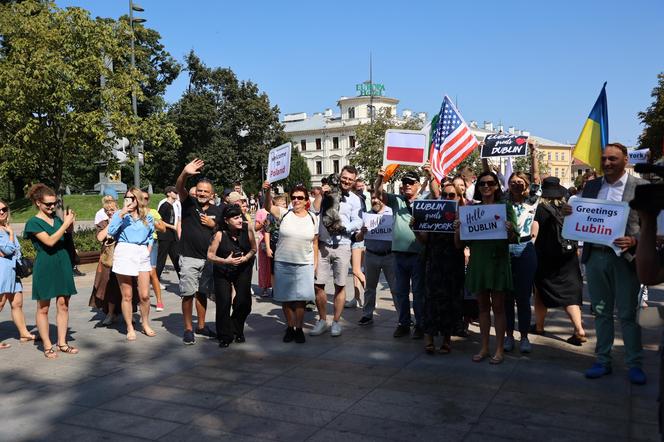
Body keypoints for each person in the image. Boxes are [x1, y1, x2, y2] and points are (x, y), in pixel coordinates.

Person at [563, 143, 648, 384]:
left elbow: (654, 227)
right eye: (604, 159)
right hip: (595, 257)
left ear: (625, 160)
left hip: (625, 259)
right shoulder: (591, 186)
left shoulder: (641, 188)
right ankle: (602, 360)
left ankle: (635, 364)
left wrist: (634, 240)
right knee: (600, 312)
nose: (607, 163)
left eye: (613, 158)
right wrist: (572, 212)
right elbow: (582, 217)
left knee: (628, 313)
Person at [462, 171, 518, 364]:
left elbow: (514, 238)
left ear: (496, 186)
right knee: (483, 307)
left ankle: (500, 349)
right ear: (477, 187)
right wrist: (459, 228)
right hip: (478, 261)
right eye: (482, 183)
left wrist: (510, 229)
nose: (486, 186)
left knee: (499, 307)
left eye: (490, 183)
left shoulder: (505, 207)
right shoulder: (471, 209)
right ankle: (484, 347)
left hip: (498, 261)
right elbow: (465, 240)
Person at [24, 184, 77, 358]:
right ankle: (47, 345)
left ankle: (62, 342)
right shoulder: (33, 222)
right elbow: (49, 241)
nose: (52, 207)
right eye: (48, 204)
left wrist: (69, 227)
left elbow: (64, 237)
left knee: (63, 304)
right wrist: (65, 225)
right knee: (43, 307)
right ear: (38, 203)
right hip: (46, 264)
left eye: (54, 203)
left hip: (62, 262)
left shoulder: (57, 219)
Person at [373, 168, 426, 339]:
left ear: (418, 185)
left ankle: (420, 324)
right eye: (405, 182)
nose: (407, 185)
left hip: (418, 254)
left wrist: (431, 175)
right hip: (398, 255)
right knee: (400, 292)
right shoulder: (397, 201)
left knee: (418, 292)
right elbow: (379, 193)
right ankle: (403, 323)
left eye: (411, 182)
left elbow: (436, 191)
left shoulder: (425, 201)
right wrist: (380, 178)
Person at [533, 177, 586, 345]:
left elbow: (534, 234)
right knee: (570, 295)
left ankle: (539, 326)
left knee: (540, 291)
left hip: (545, 258)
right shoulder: (568, 209)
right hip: (568, 257)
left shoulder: (539, 210)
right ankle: (579, 328)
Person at [263, 181, 318, 343]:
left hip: (304, 263)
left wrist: (315, 264)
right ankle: (290, 327)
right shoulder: (284, 213)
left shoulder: (313, 218)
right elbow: (268, 207)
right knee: (286, 298)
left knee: (301, 299)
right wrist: (267, 192)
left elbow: (315, 243)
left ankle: (299, 328)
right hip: (283, 261)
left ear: (306, 200)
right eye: (293, 197)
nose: (296, 200)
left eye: (300, 198)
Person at [311, 165, 363, 337]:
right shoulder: (327, 193)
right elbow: (314, 210)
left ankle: (336, 322)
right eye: (344, 177)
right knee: (318, 285)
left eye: (350, 179)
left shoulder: (355, 199)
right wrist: (321, 194)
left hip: (343, 244)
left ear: (354, 181)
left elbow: (358, 221)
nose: (346, 181)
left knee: (340, 285)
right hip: (324, 245)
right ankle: (322, 320)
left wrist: (344, 227)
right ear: (340, 176)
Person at [415, 181, 465, 354]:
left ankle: (446, 339)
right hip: (434, 261)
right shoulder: (433, 212)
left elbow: (459, 246)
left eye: (452, 195)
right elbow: (423, 240)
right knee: (430, 299)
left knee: (450, 300)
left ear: (459, 198)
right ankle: (428, 338)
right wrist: (415, 229)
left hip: (453, 263)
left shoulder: (463, 216)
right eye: (445, 195)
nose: (448, 198)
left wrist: (458, 228)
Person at [176, 159, 222, 344]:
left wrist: (214, 224)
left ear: (212, 194)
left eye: (206, 191)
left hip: (208, 259)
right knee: (187, 293)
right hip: (188, 257)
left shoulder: (218, 210)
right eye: (200, 190)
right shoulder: (189, 203)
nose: (202, 193)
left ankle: (201, 326)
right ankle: (188, 328)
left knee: (202, 293)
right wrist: (185, 173)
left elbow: (225, 230)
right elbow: (180, 187)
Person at [107, 187, 156, 341]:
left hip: (141, 252)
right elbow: (111, 231)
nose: (129, 200)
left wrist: (148, 249)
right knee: (127, 295)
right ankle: (129, 326)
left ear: (139, 199)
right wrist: (121, 213)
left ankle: (145, 323)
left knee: (145, 295)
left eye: (133, 197)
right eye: (127, 197)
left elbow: (151, 235)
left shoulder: (147, 216)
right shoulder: (120, 215)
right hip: (125, 251)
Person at [207, 205, 257, 347]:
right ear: (226, 220)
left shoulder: (247, 228)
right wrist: (225, 261)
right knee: (224, 302)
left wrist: (246, 258)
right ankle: (224, 336)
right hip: (223, 269)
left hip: (243, 267)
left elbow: (254, 248)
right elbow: (210, 255)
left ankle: (237, 329)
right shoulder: (219, 234)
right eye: (235, 218)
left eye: (240, 217)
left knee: (243, 301)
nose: (240, 220)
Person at [503, 170, 540, 354]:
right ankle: (509, 336)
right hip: (506, 248)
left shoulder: (531, 201)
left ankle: (524, 336)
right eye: (513, 181)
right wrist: (485, 156)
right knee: (507, 298)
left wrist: (533, 154)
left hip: (525, 248)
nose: (516, 184)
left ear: (526, 184)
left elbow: (537, 180)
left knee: (523, 297)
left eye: (520, 181)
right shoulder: (503, 201)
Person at [354, 194, 396, 326]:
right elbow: (358, 238)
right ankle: (367, 315)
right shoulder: (366, 215)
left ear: (384, 199)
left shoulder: (391, 213)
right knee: (370, 288)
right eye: (372, 198)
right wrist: (362, 232)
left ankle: (403, 316)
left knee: (395, 288)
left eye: (378, 197)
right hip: (371, 255)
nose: (375, 200)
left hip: (389, 256)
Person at [0, 200, 37, 348]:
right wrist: (11, 236)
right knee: (0, 303)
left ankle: (24, 333)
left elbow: (16, 249)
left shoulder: (6, 228)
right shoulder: (7, 230)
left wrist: (10, 241)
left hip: (13, 271)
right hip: (2, 271)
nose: (2, 212)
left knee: (17, 303)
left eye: (4, 209)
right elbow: (9, 249)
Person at [88, 197, 126, 326]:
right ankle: (110, 314)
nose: (110, 212)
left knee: (128, 286)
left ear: (118, 209)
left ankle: (129, 315)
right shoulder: (103, 223)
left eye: (112, 209)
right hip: (108, 259)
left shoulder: (124, 220)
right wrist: (111, 223)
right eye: (107, 210)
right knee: (109, 286)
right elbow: (100, 237)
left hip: (123, 257)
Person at [345, 177, 370, 309]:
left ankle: (369, 296)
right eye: (358, 186)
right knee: (357, 270)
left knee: (355, 269)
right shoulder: (360, 198)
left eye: (362, 186)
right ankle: (356, 298)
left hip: (357, 236)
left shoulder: (358, 199)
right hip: (356, 236)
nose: (361, 188)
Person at [157, 186, 181, 281]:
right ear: (168, 193)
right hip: (164, 236)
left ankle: (183, 283)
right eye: (174, 192)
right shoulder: (164, 205)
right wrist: (172, 227)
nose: (176, 193)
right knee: (161, 260)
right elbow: (159, 220)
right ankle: (156, 281)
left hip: (172, 236)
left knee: (177, 259)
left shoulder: (172, 206)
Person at [265, 194, 287, 292]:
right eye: (282, 204)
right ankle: (275, 289)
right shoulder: (270, 217)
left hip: (285, 245)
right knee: (274, 269)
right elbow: (267, 232)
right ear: (275, 205)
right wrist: (268, 248)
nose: (284, 205)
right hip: (274, 244)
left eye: (285, 203)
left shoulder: (289, 214)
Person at [254, 204, 272, 297]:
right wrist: (262, 223)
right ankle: (265, 288)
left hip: (277, 241)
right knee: (264, 265)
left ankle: (276, 288)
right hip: (263, 241)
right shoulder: (261, 211)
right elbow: (256, 228)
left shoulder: (277, 210)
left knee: (275, 266)